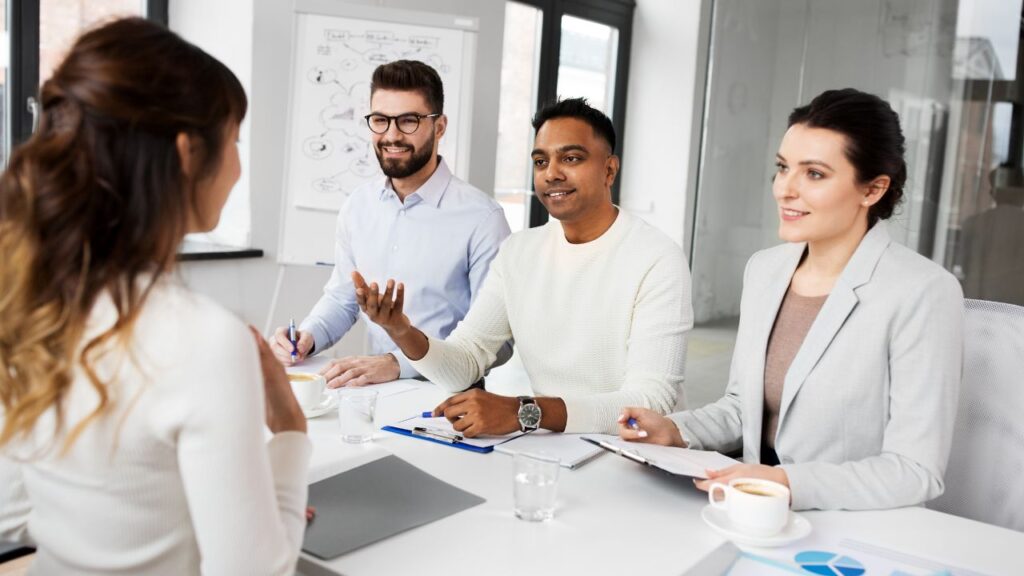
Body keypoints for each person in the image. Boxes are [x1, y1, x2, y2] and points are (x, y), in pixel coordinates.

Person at [0, 19, 311, 573]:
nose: (238, 166)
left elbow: (15, 512)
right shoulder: (205, 340)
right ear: (188, 153)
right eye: (235, 140)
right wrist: (290, 435)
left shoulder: (27, 299)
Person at [618, 88, 964, 511]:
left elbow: (914, 470)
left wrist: (785, 482)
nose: (785, 189)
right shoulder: (765, 270)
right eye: (783, 168)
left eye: (814, 174)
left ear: (872, 189)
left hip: (847, 524)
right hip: (748, 508)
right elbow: (742, 409)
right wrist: (676, 430)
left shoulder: (922, 292)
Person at [353, 97, 693, 436]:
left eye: (571, 158)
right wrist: (400, 330)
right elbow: (465, 362)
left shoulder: (657, 258)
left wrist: (526, 412)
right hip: (554, 446)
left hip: (637, 451)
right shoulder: (519, 252)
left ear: (609, 170)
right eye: (541, 161)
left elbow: (652, 401)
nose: (552, 174)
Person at [271, 60, 512, 388]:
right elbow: (343, 298)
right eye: (380, 120)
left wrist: (399, 364)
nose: (392, 135)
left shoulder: (482, 219)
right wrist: (308, 337)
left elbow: (499, 342)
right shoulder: (358, 206)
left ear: (439, 127)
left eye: (409, 121)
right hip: (373, 391)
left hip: (450, 397)